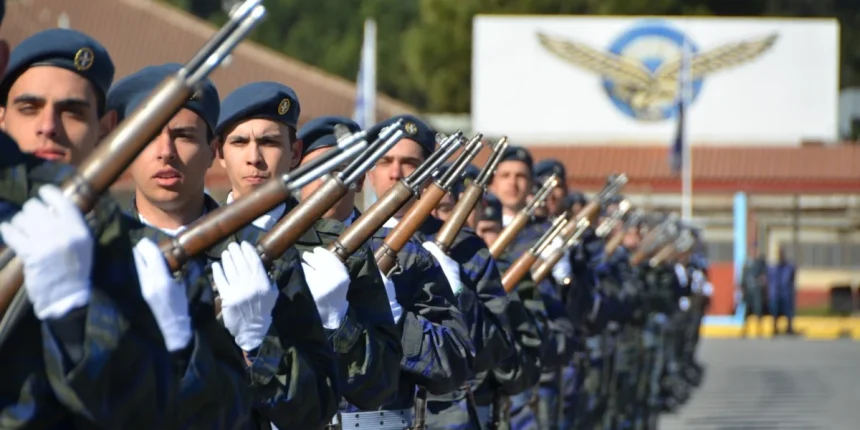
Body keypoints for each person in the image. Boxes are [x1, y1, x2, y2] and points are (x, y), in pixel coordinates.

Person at [110, 67, 340, 428]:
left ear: (211, 150)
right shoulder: (96, 256)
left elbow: (316, 409)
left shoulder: (264, 257)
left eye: (184, 135)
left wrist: (258, 346)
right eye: (148, 135)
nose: (165, 152)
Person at [0, 26, 185, 428]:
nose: (48, 126)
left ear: (106, 127)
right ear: (1, 117)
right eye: (29, 108)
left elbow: (212, 414)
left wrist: (80, 324)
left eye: (73, 112)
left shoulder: (147, 254)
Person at [228, 110, 402, 416]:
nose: (254, 158)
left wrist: (340, 321)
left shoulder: (352, 253)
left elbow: (382, 385)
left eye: (268, 142)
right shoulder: (196, 241)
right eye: (318, 169)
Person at [352, 114, 476, 427]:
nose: (396, 173)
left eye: (409, 163)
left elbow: (479, 355)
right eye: (385, 161)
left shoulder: (466, 246)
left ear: (429, 171)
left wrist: (461, 294)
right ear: (369, 172)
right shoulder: (347, 239)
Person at [741, 243, 767, 337]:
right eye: (752, 250)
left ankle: (759, 328)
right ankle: (745, 328)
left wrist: (761, 281)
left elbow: (764, 275)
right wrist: (742, 287)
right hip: (748, 290)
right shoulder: (747, 262)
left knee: (758, 309)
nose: (753, 252)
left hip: (757, 290)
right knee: (746, 310)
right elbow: (743, 276)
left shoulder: (760, 262)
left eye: (755, 250)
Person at [769, 247, 797, 336]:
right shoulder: (774, 267)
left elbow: (792, 277)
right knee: (775, 310)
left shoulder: (788, 267)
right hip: (776, 293)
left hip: (786, 292)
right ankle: (775, 328)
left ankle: (789, 327)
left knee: (788, 311)